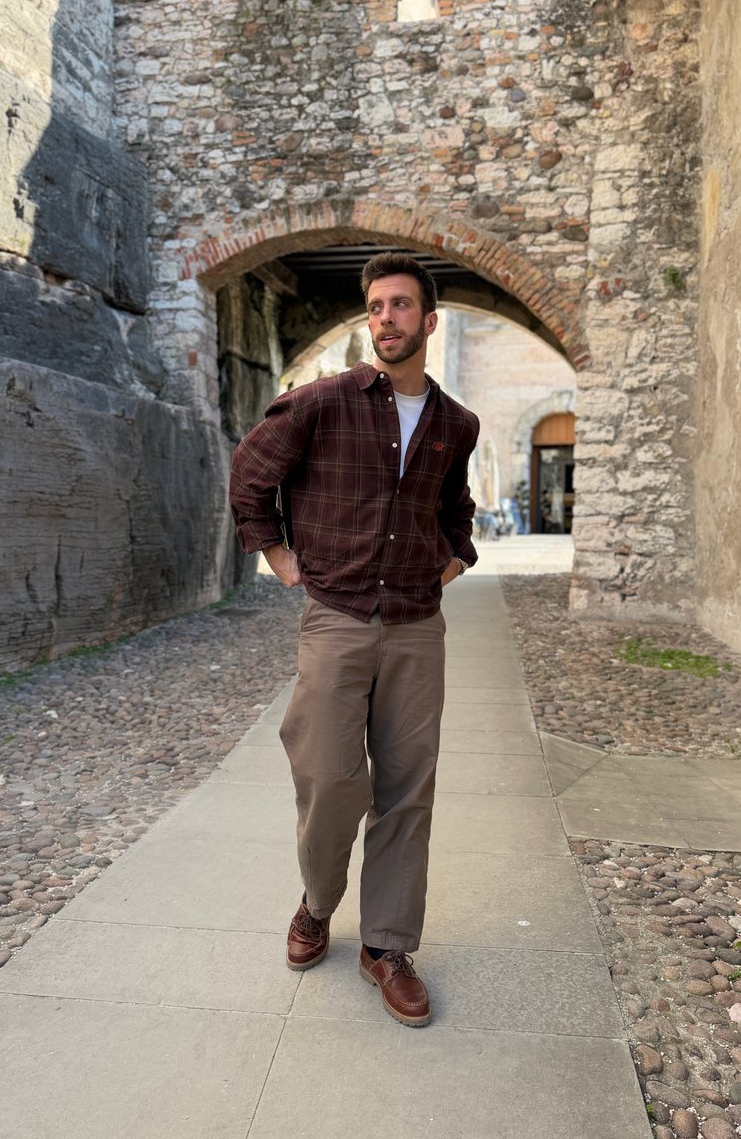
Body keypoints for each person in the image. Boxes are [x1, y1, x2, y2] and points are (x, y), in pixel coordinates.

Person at [229, 251, 479, 1027]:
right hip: (334, 619)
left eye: (401, 306)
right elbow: (249, 472)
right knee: (331, 776)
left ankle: (387, 945)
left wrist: (452, 562)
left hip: (415, 628)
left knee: (408, 787)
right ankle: (316, 901)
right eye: (376, 307)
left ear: (428, 321)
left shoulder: (455, 424)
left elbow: (457, 511)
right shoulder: (323, 403)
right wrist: (275, 553)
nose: (387, 319)